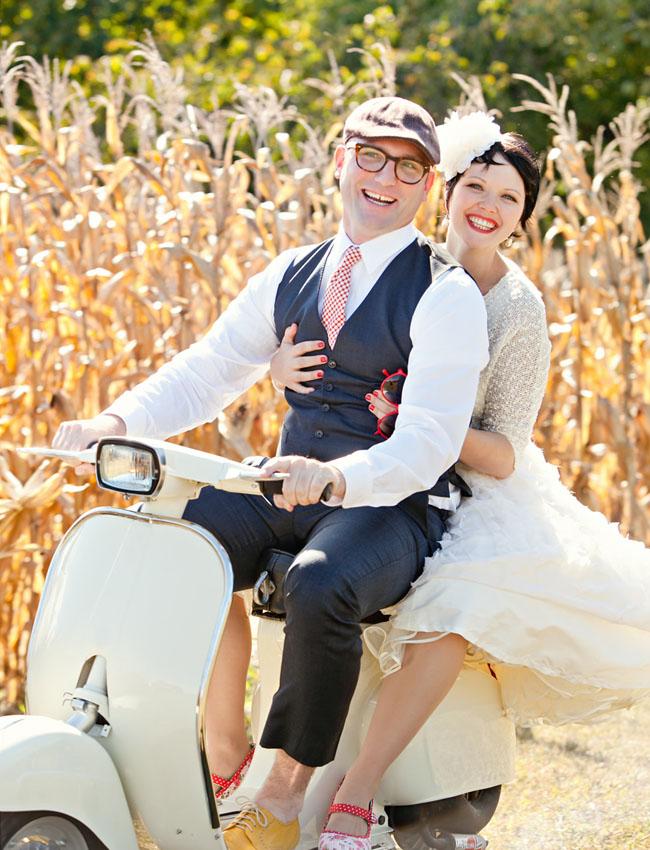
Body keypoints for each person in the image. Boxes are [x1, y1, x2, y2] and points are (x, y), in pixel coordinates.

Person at [51, 97, 489, 850]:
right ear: (342, 159)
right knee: (180, 542)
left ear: (427, 186)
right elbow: (210, 369)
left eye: (408, 166)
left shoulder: (444, 294)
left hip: (390, 504)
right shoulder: (292, 271)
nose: (385, 177)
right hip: (286, 485)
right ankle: (225, 759)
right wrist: (112, 424)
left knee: (322, 582)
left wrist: (338, 477)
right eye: (371, 157)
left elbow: (428, 442)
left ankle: (283, 800)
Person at [270, 111, 650, 850]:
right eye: (475, 185)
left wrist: (427, 424)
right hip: (373, 479)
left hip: (473, 490)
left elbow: (505, 452)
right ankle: (244, 769)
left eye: (508, 199)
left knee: (453, 605)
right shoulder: (399, 264)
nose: (488, 206)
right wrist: (278, 368)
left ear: (523, 219)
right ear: (444, 191)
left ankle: (358, 792)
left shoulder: (517, 309)